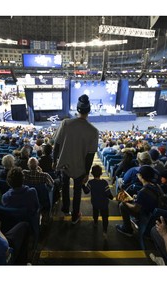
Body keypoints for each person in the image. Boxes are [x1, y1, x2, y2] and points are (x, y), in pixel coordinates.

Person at [53, 94, 99, 224]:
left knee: (65, 186)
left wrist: (53, 160)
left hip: (65, 164)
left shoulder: (65, 123)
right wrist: (86, 172)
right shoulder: (93, 131)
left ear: (77, 110)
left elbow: (56, 145)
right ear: (89, 111)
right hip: (80, 167)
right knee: (77, 191)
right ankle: (75, 216)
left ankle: (65, 208)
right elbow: (90, 156)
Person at [116, 165, 163, 237]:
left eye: (138, 174)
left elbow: (136, 208)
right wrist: (137, 198)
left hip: (147, 217)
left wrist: (124, 201)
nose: (137, 175)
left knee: (122, 206)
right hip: (155, 214)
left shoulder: (143, 191)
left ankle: (127, 229)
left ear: (141, 176)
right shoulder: (156, 186)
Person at [83, 164, 113, 239]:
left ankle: (95, 222)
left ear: (92, 174)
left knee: (95, 212)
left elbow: (86, 191)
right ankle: (105, 231)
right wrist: (112, 197)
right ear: (101, 173)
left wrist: (83, 184)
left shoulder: (90, 182)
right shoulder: (104, 183)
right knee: (105, 217)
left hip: (95, 203)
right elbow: (109, 195)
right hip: (104, 204)